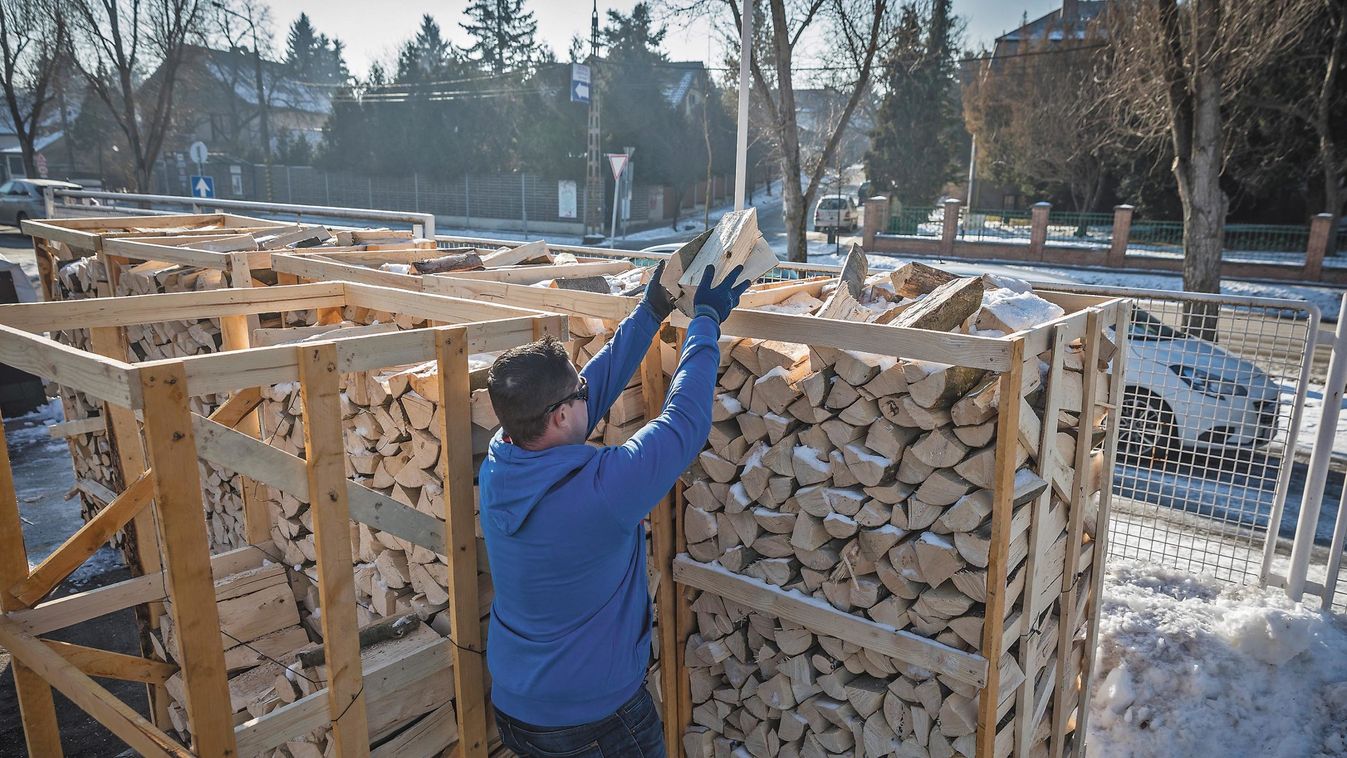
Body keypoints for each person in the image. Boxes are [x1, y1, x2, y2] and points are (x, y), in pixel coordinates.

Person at [480, 262, 751, 758]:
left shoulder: (503, 457)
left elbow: (583, 395)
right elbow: (682, 424)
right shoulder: (602, 491)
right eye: (577, 392)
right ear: (561, 414)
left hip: (518, 707)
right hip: (592, 721)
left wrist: (647, 315)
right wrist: (705, 323)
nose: (588, 390)